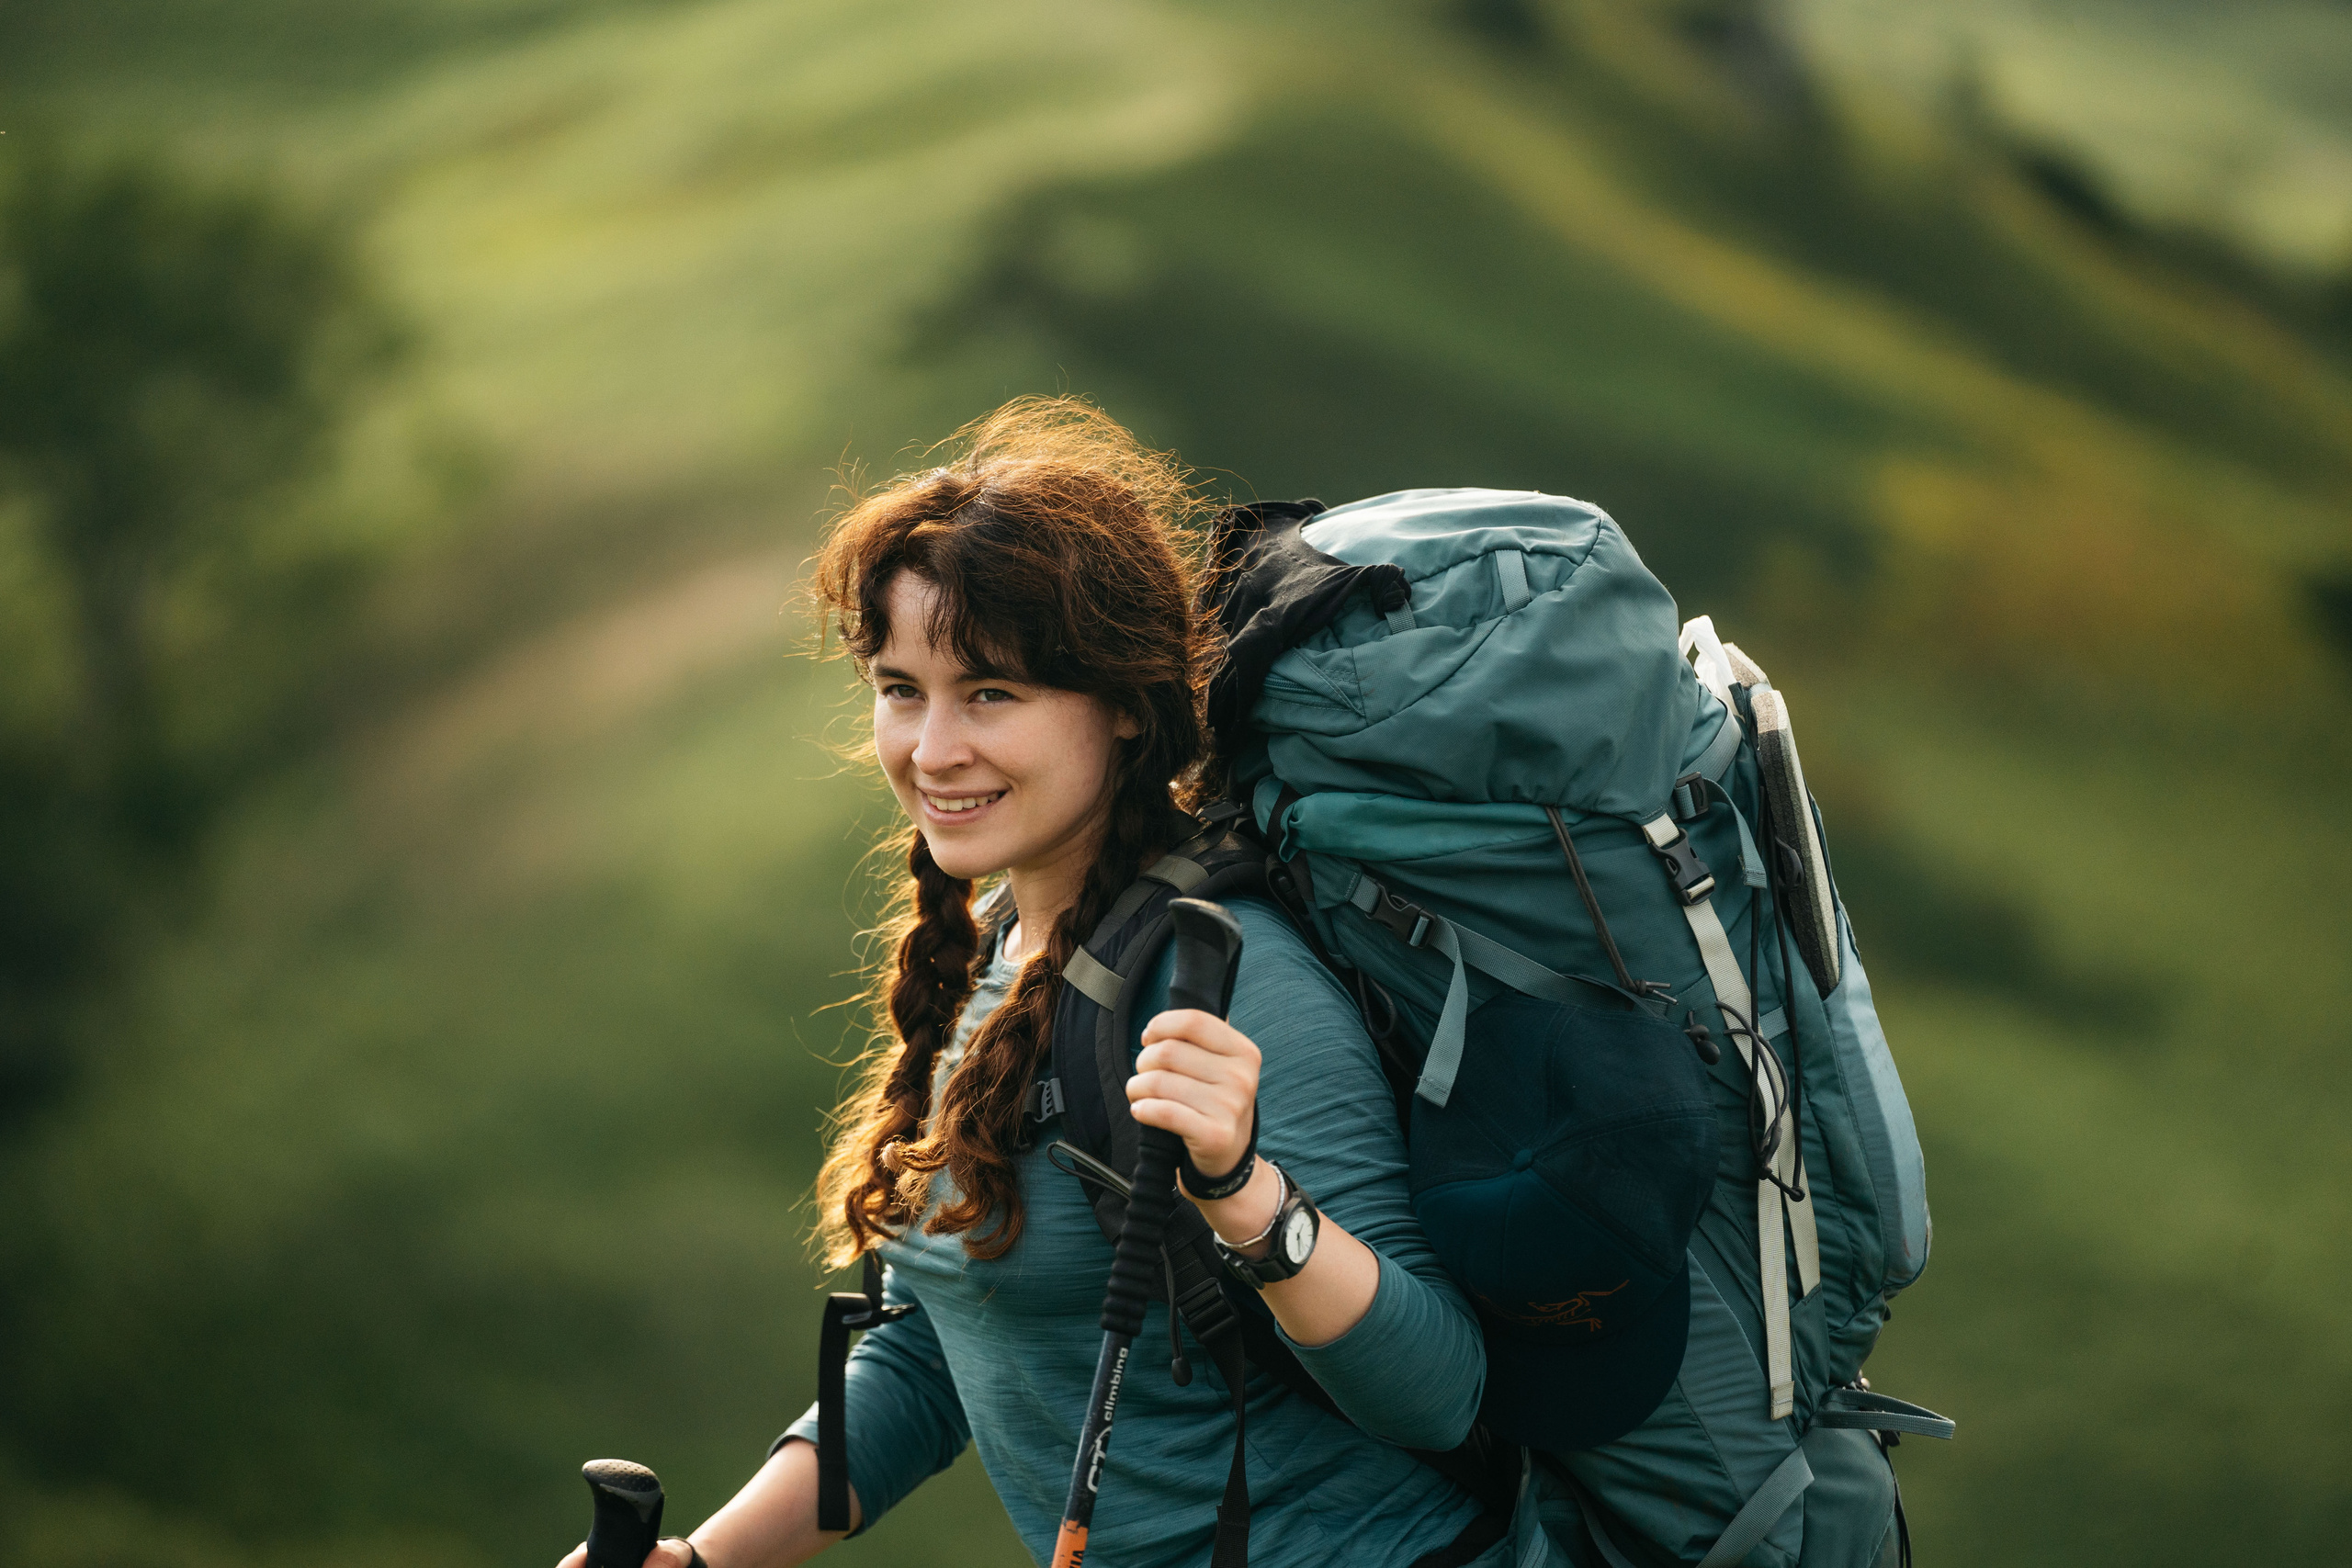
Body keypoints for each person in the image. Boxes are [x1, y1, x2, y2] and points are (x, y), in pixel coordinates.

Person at [558, 397, 1533, 1568]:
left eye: (992, 694)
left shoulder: (1228, 977)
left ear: (1124, 705)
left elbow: (1440, 1394)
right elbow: (938, 1355)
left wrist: (1243, 1193)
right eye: (900, 688)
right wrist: (707, 1561)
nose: (931, 749)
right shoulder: (994, 950)